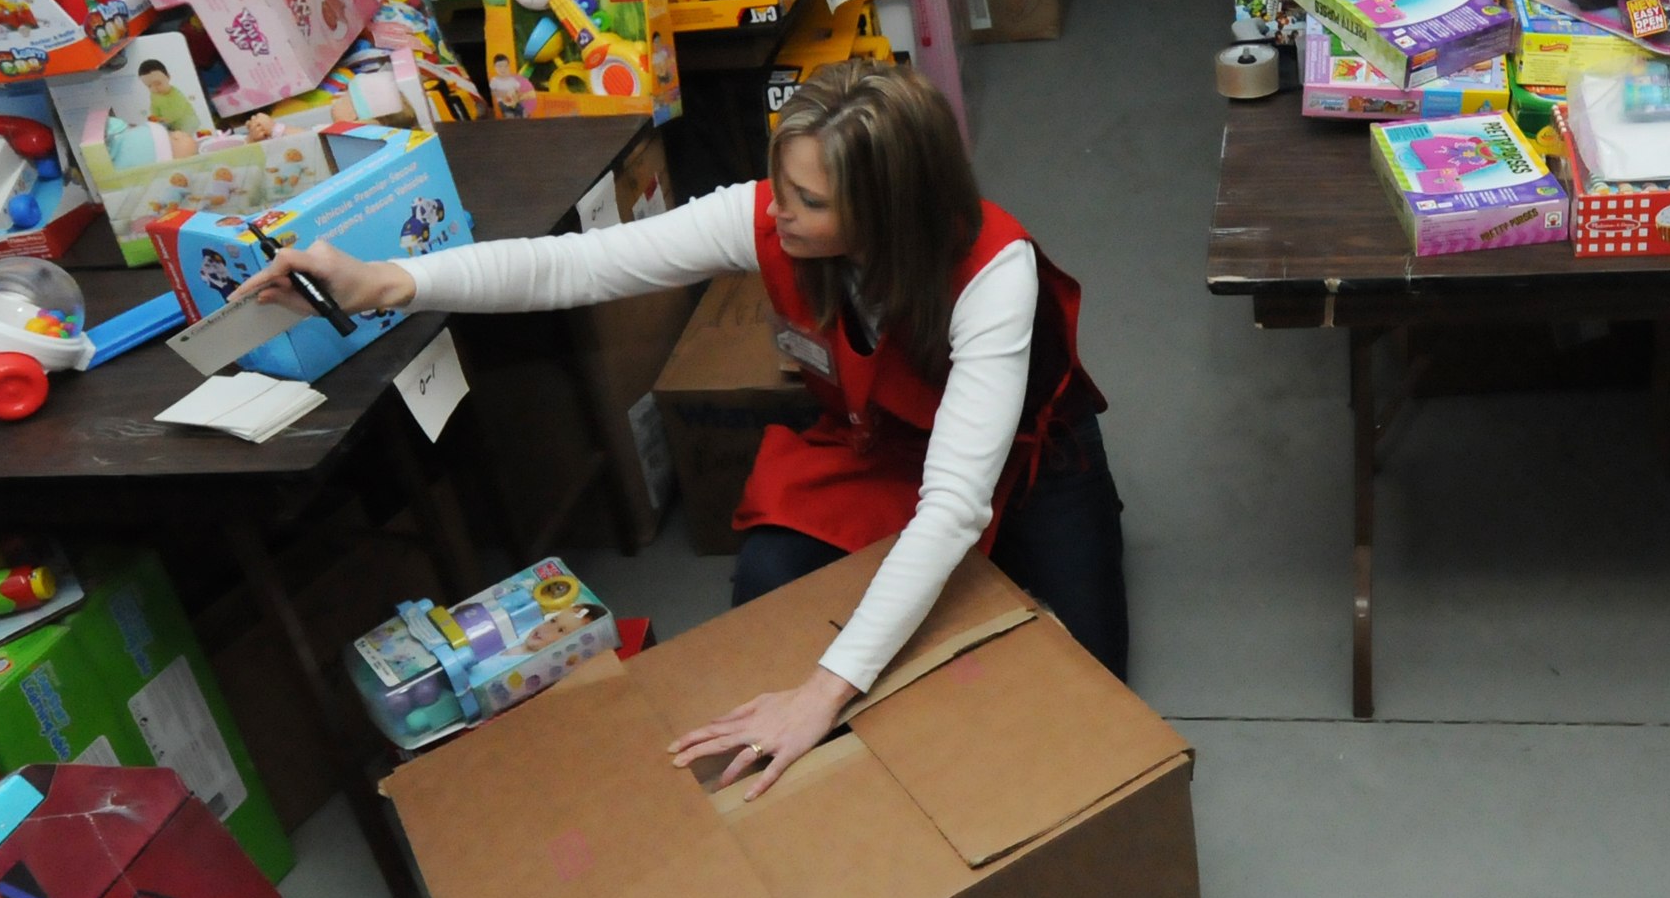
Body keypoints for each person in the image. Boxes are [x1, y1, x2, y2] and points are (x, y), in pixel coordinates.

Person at [227, 63, 1126, 797]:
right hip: (882, 447)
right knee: (770, 579)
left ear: (887, 211)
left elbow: (953, 508)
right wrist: (386, 281)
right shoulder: (770, 218)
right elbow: (575, 265)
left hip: (1030, 460)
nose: (777, 212)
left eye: (808, 201)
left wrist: (822, 695)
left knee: (1089, 698)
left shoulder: (990, 272)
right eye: (780, 182)